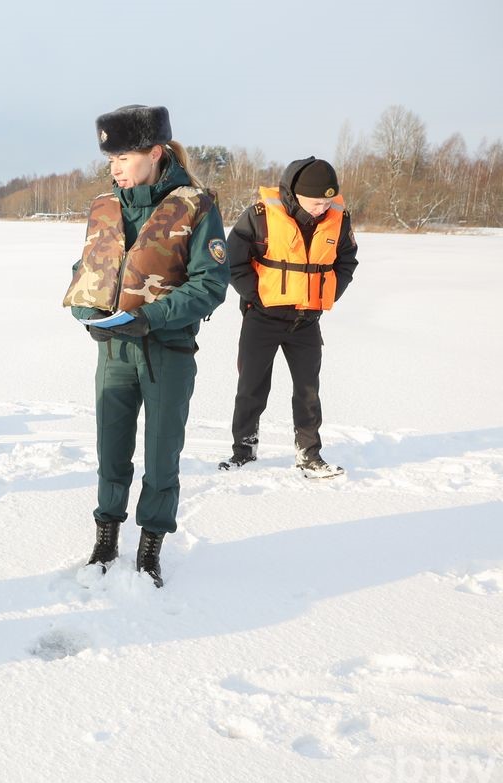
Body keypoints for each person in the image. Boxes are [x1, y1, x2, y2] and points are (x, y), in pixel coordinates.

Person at [63, 105, 229, 587]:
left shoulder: (195, 206)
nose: (114, 166)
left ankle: (152, 541)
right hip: (112, 352)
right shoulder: (103, 206)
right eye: (109, 157)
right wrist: (86, 312)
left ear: (155, 153)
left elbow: (210, 283)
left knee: (162, 453)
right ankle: (106, 535)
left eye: (123, 155)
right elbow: (85, 272)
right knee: (110, 449)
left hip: (167, 353)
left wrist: (149, 317)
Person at [219, 158, 358, 478]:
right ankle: (243, 450)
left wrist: (328, 293)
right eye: (315, 202)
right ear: (295, 195)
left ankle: (309, 454)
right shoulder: (260, 217)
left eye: (327, 201)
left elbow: (347, 261)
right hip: (262, 318)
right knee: (251, 386)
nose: (322, 208)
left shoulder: (339, 220)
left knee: (308, 389)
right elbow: (232, 260)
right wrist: (258, 295)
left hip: (307, 321)